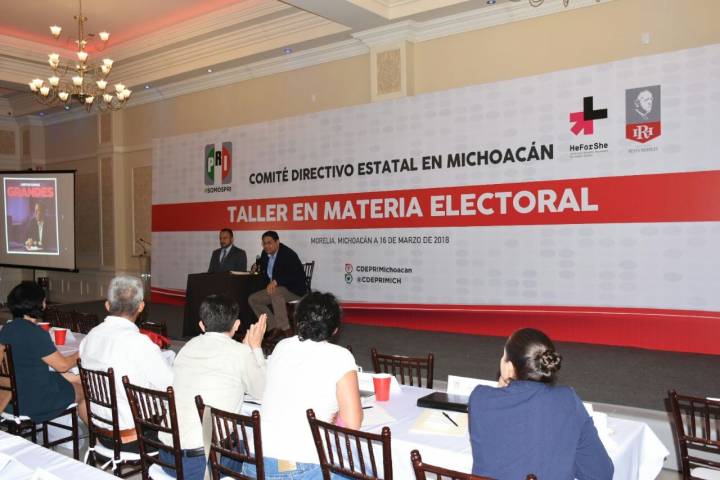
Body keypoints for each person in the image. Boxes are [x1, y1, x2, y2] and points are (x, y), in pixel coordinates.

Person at [243, 291, 361, 479]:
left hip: (254, 464)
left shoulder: (282, 346)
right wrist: (334, 416)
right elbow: (352, 423)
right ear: (335, 329)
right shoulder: (341, 356)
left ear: (297, 320)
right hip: (301, 469)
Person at [468, 328, 613, 480]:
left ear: (509, 368)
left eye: (503, 356)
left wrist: (501, 388)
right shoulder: (567, 400)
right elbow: (600, 473)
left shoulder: (480, 398)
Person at [157, 295, 267, 479]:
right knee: (254, 448)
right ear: (237, 325)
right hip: (204, 465)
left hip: (167, 458)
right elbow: (263, 392)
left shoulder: (187, 348)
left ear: (201, 325)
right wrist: (255, 348)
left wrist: (245, 351)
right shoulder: (240, 353)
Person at [79, 275, 173, 453]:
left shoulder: (90, 337)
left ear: (107, 305)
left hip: (101, 430)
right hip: (136, 437)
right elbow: (170, 386)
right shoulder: (140, 343)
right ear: (141, 306)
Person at [0, 282, 86, 423]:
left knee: (73, 378)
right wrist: (81, 352)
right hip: (34, 401)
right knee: (84, 390)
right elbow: (63, 366)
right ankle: (95, 435)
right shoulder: (36, 333)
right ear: (39, 304)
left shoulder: (7, 329)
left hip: (10, 399)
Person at [248, 230, 307, 337]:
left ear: (277, 242)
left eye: (269, 243)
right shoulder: (264, 254)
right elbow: (262, 267)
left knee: (275, 292)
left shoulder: (288, 254)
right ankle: (273, 327)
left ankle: (285, 329)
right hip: (274, 289)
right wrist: (255, 267)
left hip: (294, 290)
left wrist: (276, 281)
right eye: (264, 243)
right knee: (253, 299)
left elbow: (295, 276)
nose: (266, 246)